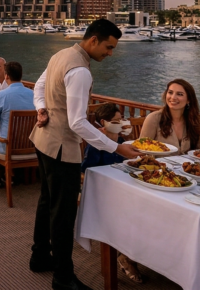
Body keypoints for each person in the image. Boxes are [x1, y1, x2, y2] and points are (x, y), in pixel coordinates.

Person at [29, 19, 142, 290]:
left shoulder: (61, 54)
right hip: (61, 148)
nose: (110, 53)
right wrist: (117, 147)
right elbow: (77, 122)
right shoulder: (80, 70)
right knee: (63, 214)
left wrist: (42, 108)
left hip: (42, 139)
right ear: (93, 40)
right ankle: (63, 277)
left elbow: (39, 86)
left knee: (47, 201)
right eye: (108, 47)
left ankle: (40, 256)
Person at [80, 103, 143, 283]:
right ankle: (125, 254)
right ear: (104, 123)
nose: (121, 124)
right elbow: (86, 171)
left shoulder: (124, 144)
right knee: (130, 210)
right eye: (116, 121)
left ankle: (138, 252)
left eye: (121, 120)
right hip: (102, 192)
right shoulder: (95, 145)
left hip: (124, 187)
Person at [0, 62, 35, 188]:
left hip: (7, 147)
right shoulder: (33, 94)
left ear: (6, 76)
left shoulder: (2, 95)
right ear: (21, 76)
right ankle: (9, 174)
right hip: (30, 144)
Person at [139, 79, 200, 153]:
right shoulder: (153, 119)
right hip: (157, 164)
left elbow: (199, 153)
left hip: (187, 164)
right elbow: (142, 150)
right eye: (170, 92)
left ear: (188, 100)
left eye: (179, 94)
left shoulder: (196, 123)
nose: (173, 97)